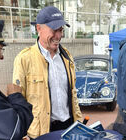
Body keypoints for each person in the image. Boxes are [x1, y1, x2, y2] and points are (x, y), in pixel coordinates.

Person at [13, 6, 82, 139]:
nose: (59, 36)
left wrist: (78, 121)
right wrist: (22, 133)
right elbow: (18, 101)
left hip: (69, 127)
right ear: (39, 28)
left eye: (61, 30)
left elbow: (73, 93)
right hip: (40, 132)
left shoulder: (67, 57)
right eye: (54, 30)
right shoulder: (24, 59)